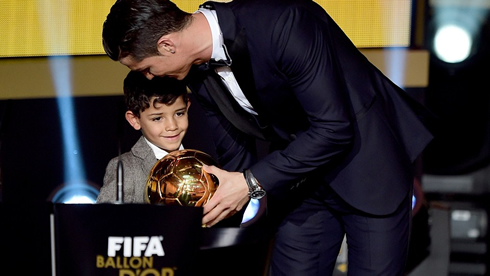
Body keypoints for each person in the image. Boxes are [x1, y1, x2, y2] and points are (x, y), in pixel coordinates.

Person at [101, 0, 435, 275]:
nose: (150, 78)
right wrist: (200, 220)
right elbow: (235, 153)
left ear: (167, 44)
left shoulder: (283, 22)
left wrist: (249, 183)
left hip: (367, 166)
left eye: (145, 69)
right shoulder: (195, 70)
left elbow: (334, 127)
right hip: (297, 181)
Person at [97, 70, 190, 203]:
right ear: (134, 120)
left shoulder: (200, 164)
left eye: (179, 114)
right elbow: (105, 219)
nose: (172, 126)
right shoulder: (126, 168)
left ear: (187, 107)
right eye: (158, 118)